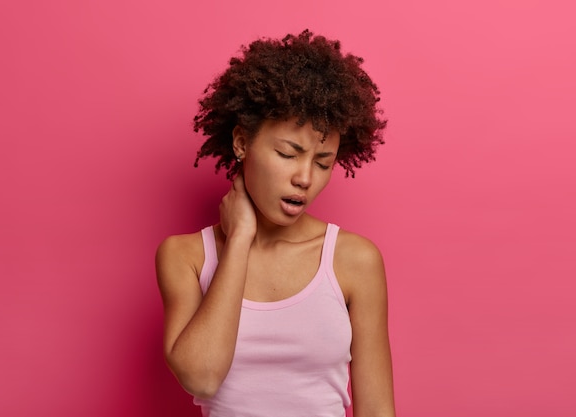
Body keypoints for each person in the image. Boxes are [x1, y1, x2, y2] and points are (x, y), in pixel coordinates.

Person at [156, 30, 396, 417]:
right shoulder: (184, 256)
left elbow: (377, 410)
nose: (305, 177)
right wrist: (239, 239)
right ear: (241, 142)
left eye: (322, 163)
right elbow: (201, 378)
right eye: (288, 153)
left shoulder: (354, 260)